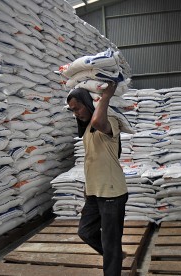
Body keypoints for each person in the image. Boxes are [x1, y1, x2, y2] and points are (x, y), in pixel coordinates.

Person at [67, 83, 128, 276]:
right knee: (85, 232)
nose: (76, 113)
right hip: (94, 192)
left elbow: (98, 122)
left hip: (112, 192)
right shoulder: (86, 129)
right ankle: (114, 254)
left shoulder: (109, 121)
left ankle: (113, 258)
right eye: (72, 110)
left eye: (78, 108)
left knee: (111, 241)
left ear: (88, 102)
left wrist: (106, 96)